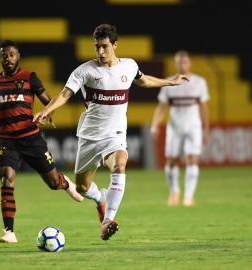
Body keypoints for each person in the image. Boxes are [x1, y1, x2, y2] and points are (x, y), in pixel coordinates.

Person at [33, 24, 188, 241]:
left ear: (115, 45)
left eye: (105, 46)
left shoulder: (129, 66)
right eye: (97, 47)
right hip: (89, 137)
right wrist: (46, 110)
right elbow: (65, 94)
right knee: (83, 187)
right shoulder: (84, 71)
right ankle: (100, 198)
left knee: (120, 164)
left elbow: (143, 80)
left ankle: (108, 220)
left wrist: (170, 82)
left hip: (114, 136)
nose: (100, 52)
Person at [0, 40, 83, 243]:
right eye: (4, 55)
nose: (8, 58)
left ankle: (66, 183)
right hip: (6, 139)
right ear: (0, 57)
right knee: (6, 179)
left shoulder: (29, 77)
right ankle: (9, 231)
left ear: (18, 56)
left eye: (11, 54)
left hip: (30, 137)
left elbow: (47, 98)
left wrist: (48, 112)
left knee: (53, 182)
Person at [150, 51, 210, 207]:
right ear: (176, 64)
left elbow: (204, 107)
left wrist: (206, 129)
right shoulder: (169, 83)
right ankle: (174, 191)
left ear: (190, 63)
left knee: (193, 159)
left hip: (193, 127)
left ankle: (189, 196)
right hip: (175, 127)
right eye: (179, 61)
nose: (183, 63)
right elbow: (162, 107)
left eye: (185, 61)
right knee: (171, 161)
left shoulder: (199, 82)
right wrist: (155, 124)